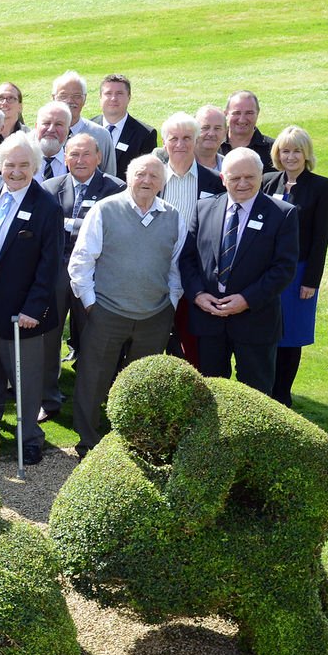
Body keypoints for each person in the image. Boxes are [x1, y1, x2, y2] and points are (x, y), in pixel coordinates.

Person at [66, 154, 190, 455]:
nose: (146, 181)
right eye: (140, 174)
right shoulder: (105, 209)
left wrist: (170, 305)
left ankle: (134, 441)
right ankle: (88, 440)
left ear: (162, 183)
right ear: (128, 176)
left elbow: (176, 268)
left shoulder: (173, 216)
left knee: (141, 383)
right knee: (93, 377)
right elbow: (81, 261)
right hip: (107, 311)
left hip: (155, 315)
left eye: (153, 176)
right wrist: (92, 304)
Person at [0, 132, 62, 466]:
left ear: (34, 166)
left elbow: (50, 265)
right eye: (10, 164)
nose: (16, 171)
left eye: (24, 165)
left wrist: (34, 308)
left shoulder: (47, 206)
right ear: (0, 164)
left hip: (21, 312)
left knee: (25, 378)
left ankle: (30, 438)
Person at [180, 149, 300, 394]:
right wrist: (198, 295)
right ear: (223, 179)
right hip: (209, 320)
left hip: (255, 321)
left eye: (249, 177)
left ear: (261, 176)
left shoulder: (282, 214)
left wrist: (246, 300)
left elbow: (283, 268)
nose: (243, 184)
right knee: (210, 393)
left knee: (256, 395)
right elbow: (188, 259)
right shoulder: (203, 209)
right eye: (235, 178)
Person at [40, 132, 124, 415]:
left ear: (99, 157)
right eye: (73, 154)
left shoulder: (115, 189)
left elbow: (107, 231)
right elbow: (46, 230)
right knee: (48, 339)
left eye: (86, 153)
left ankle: (91, 400)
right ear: (65, 158)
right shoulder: (50, 187)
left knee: (93, 339)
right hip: (55, 274)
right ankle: (48, 399)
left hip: (96, 275)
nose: (79, 160)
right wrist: (82, 224)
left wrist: (69, 224)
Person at [262, 126, 328, 406]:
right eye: (285, 150)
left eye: (296, 151)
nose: (290, 156)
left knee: (291, 335)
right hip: (268, 274)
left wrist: (311, 281)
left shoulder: (320, 186)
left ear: (306, 154)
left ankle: (282, 395)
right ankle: (264, 391)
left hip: (299, 274)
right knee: (266, 332)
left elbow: (320, 238)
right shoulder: (268, 182)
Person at [95, 74, 156, 178]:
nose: (113, 98)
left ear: (129, 97)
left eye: (119, 93)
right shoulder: (87, 128)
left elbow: (147, 174)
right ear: (100, 98)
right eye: (108, 93)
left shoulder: (145, 134)